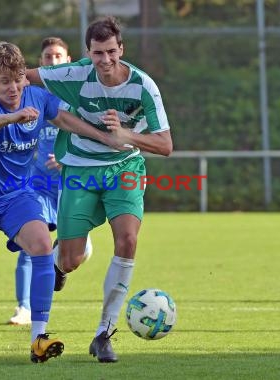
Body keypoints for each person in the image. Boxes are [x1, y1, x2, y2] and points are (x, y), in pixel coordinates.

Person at [0, 41, 127, 364]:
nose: (13, 87)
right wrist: (13, 118)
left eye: (18, 79)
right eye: (3, 81)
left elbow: (64, 120)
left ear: (25, 76)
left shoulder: (37, 96)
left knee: (40, 244)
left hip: (17, 196)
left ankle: (38, 338)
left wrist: (104, 137)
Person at [26, 16, 173, 363]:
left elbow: (165, 145)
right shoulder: (73, 74)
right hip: (79, 167)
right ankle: (61, 261)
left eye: (111, 52)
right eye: (97, 53)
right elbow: (25, 77)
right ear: (87, 53)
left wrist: (126, 136)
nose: (105, 60)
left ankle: (103, 333)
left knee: (128, 239)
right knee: (71, 259)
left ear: (121, 49)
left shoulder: (143, 85)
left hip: (125, 168)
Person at [8, 37, 93, 326]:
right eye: (48, 57)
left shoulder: (78, 98)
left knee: (82, 251)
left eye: (58, 56)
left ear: (68, 61)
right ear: (41, 62)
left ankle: (59, 266)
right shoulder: (30, 95)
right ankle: (25, 307)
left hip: (71, 184)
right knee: (30, 245)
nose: (53, 61)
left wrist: (66, 157)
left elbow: (88, 136)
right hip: (37, 185)